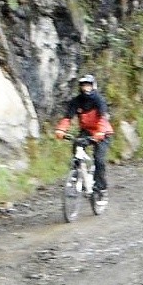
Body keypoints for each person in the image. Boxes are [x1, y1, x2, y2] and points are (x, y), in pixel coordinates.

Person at [55, 73, 113, 210]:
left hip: (103, 132)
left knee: (99, 160)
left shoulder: (99, 100)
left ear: (93, 86)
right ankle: (77, 174)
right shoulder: (76, 101)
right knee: (76, 146)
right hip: (86, 131)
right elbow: (67, 117)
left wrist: (100, 133)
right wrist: (61, 129)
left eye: (88, 85)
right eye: (83, 85)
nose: (86, 88)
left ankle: (101, 189)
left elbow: (103, 118)